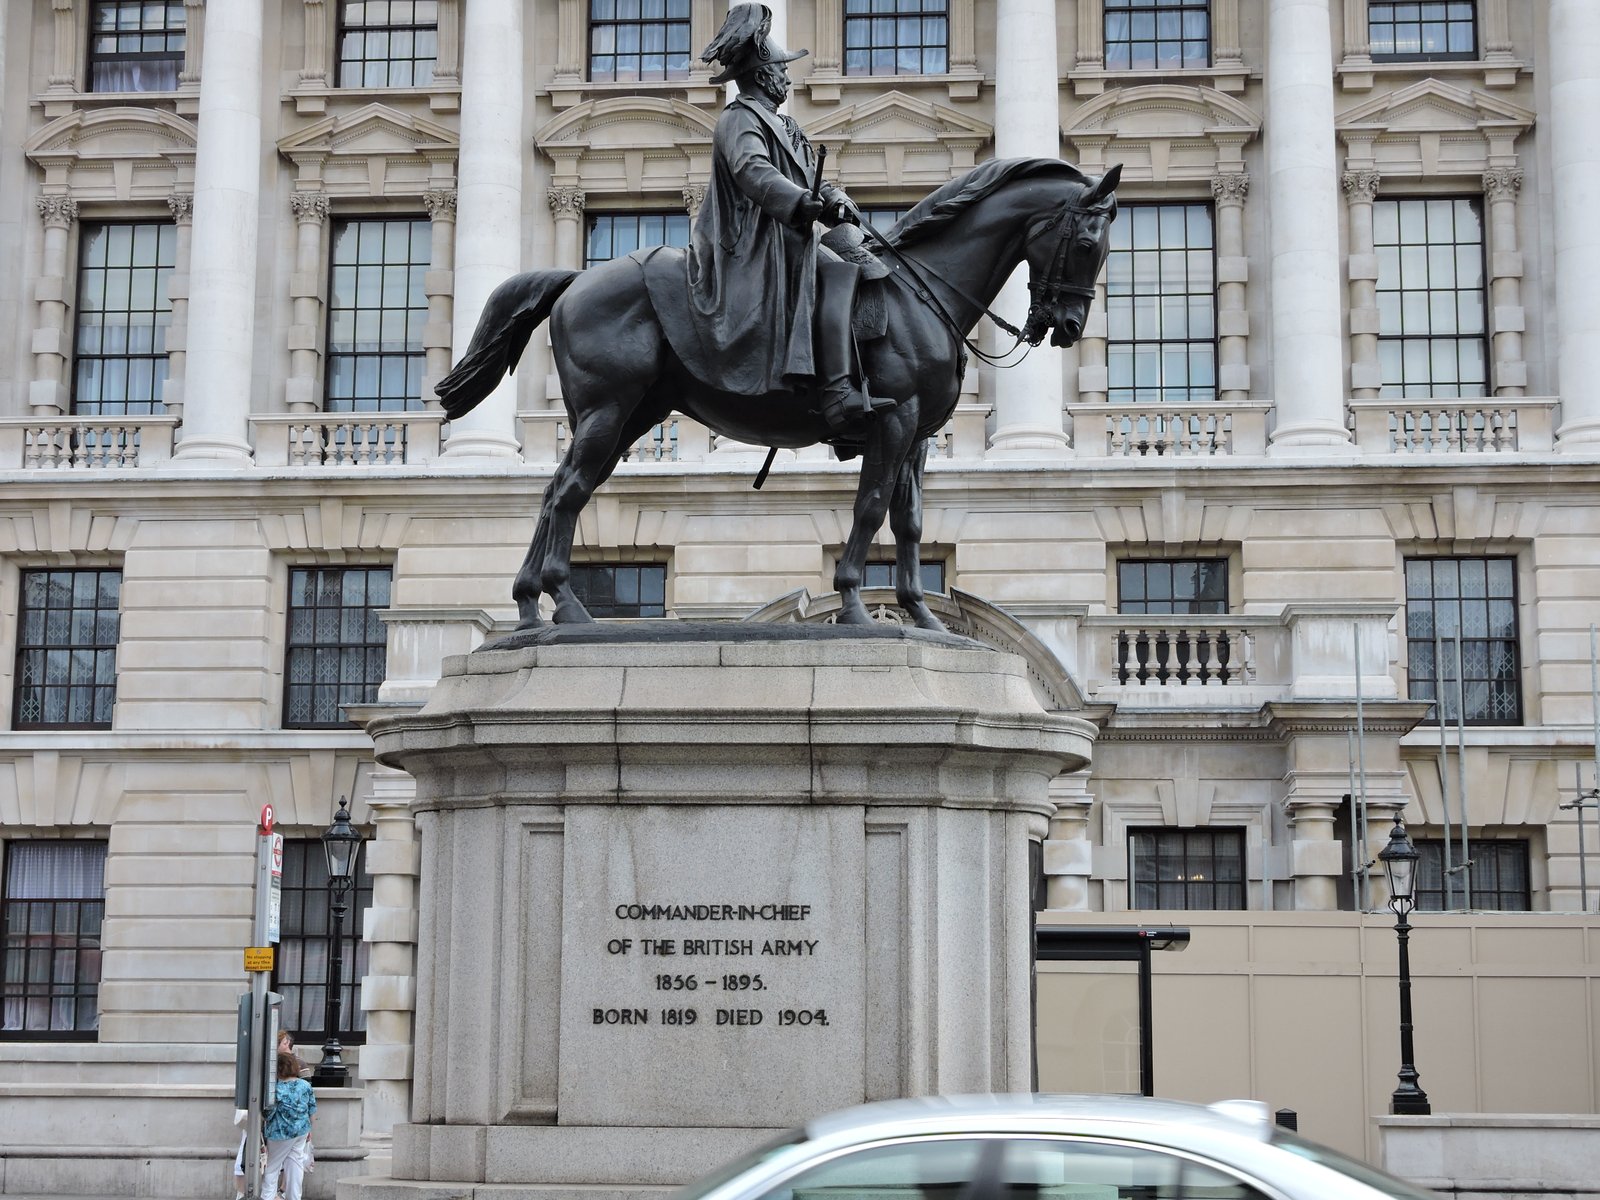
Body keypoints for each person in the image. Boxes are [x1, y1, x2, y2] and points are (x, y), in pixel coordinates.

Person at [672, 2, 887, 437]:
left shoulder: (787, 126)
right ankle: (838, 392)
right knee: (841, 272)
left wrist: (836, 199)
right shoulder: (739, 119)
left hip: (786, 230)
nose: (788, 76)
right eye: (782, 69)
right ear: (761, 75)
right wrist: (796, 203)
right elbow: (753, 170)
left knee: (858, 253)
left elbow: (811, 178)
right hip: (755, 238)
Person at [234, 1031, 300, 1200]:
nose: (288, 1045)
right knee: (288, 1164)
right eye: (284, 1042)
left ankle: (269, 1196)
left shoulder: (281, 1081)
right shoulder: (275, 1070)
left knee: (272, 1167)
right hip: (294, 1128)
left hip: (278, 1128)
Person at [260, 1049, 316, 1200]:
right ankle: (294, 1197)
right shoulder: (305, 1085)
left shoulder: (276, 1089)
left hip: (280, 1133)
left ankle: (267, 1197)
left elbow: (268, 1114)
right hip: (301, 1131)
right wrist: (310, 1128)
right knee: (296, 1165)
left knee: (272, 1169)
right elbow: (312, 1109)